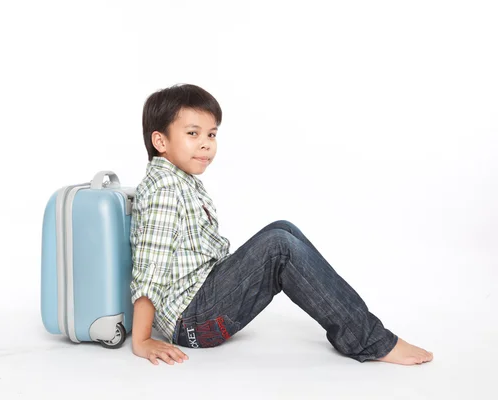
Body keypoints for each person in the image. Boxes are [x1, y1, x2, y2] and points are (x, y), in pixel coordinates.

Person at [129, 83, 433, 366]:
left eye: (211, 134)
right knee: (279, 247)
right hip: (192, 321)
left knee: (282, 228)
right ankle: (369, 340)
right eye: (193, 134)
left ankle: (357, 322)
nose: (207, 145)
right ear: (161, 141)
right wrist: (142, 340)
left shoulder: (181, 180)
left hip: (202, 299)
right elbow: (150, 266)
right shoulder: (165, 189)